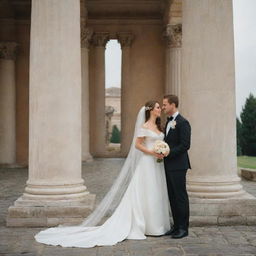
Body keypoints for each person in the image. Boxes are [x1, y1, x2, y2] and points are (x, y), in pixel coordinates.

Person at [35, 100, 170, 248]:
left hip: (157, 164)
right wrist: (152, 152)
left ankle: (157, 225)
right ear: (150, 110)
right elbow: (137, 145)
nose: (160, 109)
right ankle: (145, 225)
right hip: (146, 164)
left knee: (156, 192)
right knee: (147, 192)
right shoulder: (144, 126)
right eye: (158, 107)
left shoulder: (158, 126)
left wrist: (162, 151)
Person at [162, 94, 191, 239]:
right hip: (168, 165)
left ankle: (183, 228)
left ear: (173, 105)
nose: (163, 107)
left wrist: (168, 152)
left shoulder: (182, 122)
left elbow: (185, 145)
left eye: (165, 104)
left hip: (179, 166)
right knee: (172, 197)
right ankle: (176, 226)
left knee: (180, 197)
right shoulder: (168, 122)